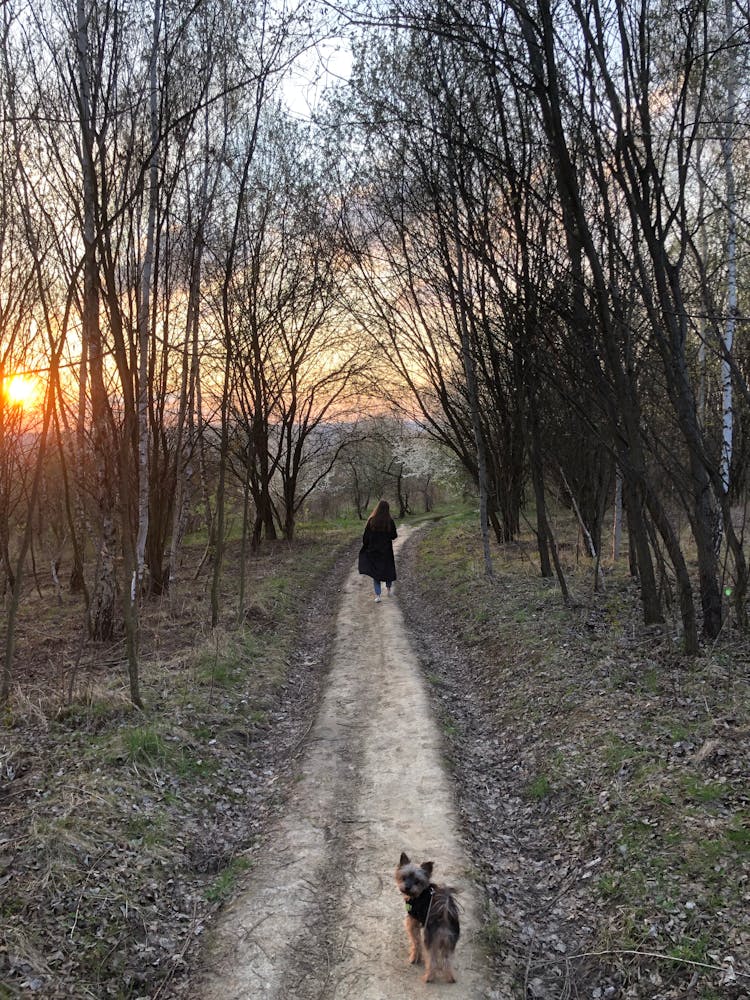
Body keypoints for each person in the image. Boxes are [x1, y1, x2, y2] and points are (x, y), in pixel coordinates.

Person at [358, 499, 398, 602]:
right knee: (388, 570)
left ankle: (378, 596)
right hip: (387, 552)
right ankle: (389, 591)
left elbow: (365, 537)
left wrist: (366, 546)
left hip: (374, 552)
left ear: (377, 508)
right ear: (387, 509)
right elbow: (394, 536)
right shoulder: (390, 521)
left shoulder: (372, 521)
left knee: (376, 573)